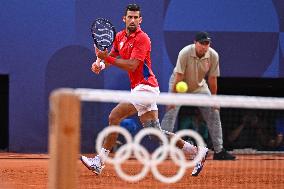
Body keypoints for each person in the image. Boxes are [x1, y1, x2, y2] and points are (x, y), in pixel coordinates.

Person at [81, 3, 208, 177]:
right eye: (129, 17)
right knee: (156, 135)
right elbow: (113, 55)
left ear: (140, 20)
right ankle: (196, 151)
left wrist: (105, 59)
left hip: (146, 89)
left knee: (114, 116)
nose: (132, 20)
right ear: (124, 19)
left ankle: (99, 161)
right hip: (139, 89)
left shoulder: (143, 39)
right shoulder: (119, 37)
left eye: (136, 17)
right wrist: (100, 64)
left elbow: (133, 65)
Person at [161, 31, 236, 160]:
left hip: (200, 87)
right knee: (170, 114)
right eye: (202, 43)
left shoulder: (213, 55)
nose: (204, 46)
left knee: (214, 113)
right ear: (195, 43)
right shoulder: (184, 53)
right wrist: (172, 99)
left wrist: (214, 99)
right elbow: (178, 76)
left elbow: (212, 79)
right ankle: (163, 149)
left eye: (207, 43)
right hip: (180, 85)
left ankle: (219, 151)